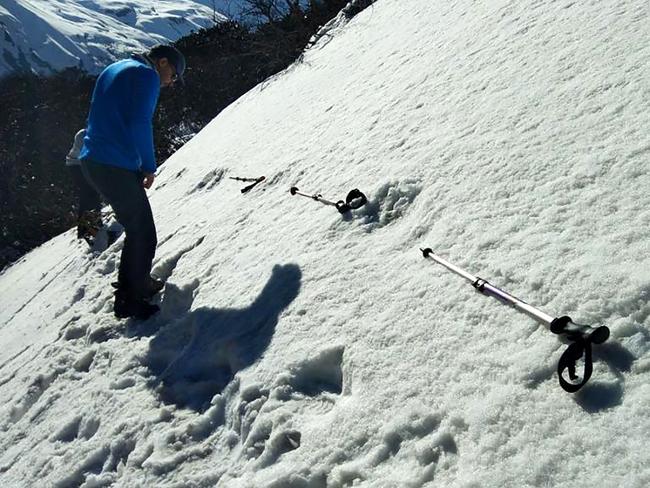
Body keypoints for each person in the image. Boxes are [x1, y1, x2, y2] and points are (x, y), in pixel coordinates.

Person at [79, 44, 186, 320]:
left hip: (95, 160)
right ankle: (130, 300)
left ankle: (135, 284)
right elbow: (140, 122)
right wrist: (149, 166)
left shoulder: (115, 68)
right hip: (112, 163)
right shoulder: (146, 75)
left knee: (136, 227)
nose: (171, 82)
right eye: (174, 75)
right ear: (162, 63)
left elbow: (111, 117)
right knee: (143, 232)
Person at [66, 128, 103, 245]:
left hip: (84, 163)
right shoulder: (83, 135)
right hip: (76, 166)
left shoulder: (100, 134)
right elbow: (86, 155)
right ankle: (88, 228)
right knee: (89, 194)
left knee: (91, 194)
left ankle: (91, 225)